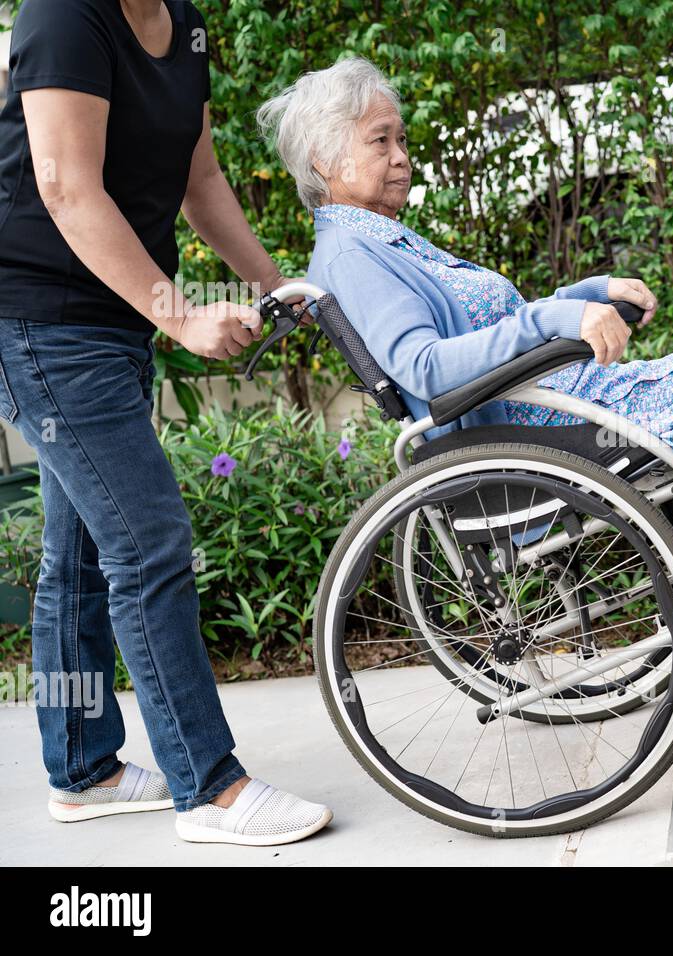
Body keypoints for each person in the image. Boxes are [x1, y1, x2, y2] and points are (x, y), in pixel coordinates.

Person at [259, 56, 673, 626]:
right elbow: (430, 369)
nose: (403, 157)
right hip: (543, 431)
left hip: (559, 406)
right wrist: (559, 321)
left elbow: (495, 328)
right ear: (325, 160)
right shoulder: (353, 256)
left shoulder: (381, 239)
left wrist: (588, 295)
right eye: (382, 141)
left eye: (401, 139)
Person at [0, 0, 330, 845]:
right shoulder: (63, 17)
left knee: (76, 559)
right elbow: (64, 186)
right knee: (148, 543)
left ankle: (82, 769)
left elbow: (201, 181)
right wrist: (180, 315)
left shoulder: (183, 24)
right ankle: (209, 787)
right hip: (39, 323)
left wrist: (271, 285)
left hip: (106, 325)